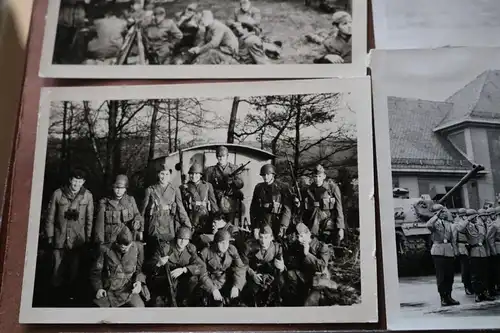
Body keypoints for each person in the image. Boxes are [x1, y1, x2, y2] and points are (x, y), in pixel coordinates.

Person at [45, 168, 94, 304]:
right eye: (74, 180)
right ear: (70, 180)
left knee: (74, 269)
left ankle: (71, 296)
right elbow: (50, 216)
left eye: (80, 181)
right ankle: (54, 297)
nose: (76, 183)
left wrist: (88, 237)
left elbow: (89, 219)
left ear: (83, 182)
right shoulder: (58, 194)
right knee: (56, 268)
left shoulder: (87, 196)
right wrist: (50, 235)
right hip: (59, 237)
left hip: (77, 239)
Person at [146, 227, 204, 307]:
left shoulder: (191, 248)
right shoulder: (165, 247)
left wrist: (184, 269)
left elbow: (200, 267)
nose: (183, 242)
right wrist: (158, 263)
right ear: (176, 237)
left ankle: (183, 300)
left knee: (193, 279)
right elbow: (148, 267)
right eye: (180, 238)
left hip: (180, 282)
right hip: (164, 280)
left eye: (186, 239)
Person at [141, 164, 191, 255]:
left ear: (170, 175)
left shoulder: (175, 190)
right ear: (158, 175)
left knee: (169, 252)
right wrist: (140, 230)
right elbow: (143, 212)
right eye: (162, 174)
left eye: (167, 174)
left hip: (169, 225)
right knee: (154, 252)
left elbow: (181, 208)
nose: (164, 177)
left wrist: (187, 224)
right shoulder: (150, 190)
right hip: (154, 225)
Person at [90, 227, 146, 307]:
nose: (125, 250)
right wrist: (98, 288)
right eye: (122, 248)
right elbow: (95, 273)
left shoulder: (138, 248)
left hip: (128, 290)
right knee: (98, 313)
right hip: (109, 291)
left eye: (128, 247)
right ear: (117, 243)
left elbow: (140, 270)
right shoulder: (105, 249)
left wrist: (139, 282)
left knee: (140, 308)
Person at [284, 223, 334, 306]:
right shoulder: (298, 245)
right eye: (298, 237)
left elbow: (321, 267)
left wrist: (307, 254)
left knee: (308, 303)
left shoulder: (322, 247)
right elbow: (291, 261)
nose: (300, 239)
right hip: (303, 277)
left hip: (317, 280)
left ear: (308, 234)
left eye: (302, 236)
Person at [199, 229, 247, 306]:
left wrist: (236, 286)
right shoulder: (205, 252)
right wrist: (213, 289)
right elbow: (202, 274)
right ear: (215, 243)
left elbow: (240, 268)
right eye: (222, 243)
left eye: (227, 242)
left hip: (227, 280)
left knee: (237, 303)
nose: (225, 246)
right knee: (218, 305)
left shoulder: (232, 249)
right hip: (211, 281)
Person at [456, 209, 495, 302]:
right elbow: (460, 229)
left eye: (475, 216)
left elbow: (485, 238)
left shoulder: (480, 225)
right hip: (474, 252)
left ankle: (485, 292)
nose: (475, 218)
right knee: (476, 275)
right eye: (472, 216)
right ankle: (478, 294)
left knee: (484, 274)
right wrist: (468, 220)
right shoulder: (467, 226)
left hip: (483, 252)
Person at [241, 225, 285, 306]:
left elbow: (280, 267)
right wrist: (253, 274)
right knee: (251, 290)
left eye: (266, 237)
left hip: (269, 275)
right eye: (261, 237)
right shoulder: (249, 246)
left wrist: (281, 267)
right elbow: (243, 264)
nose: (263, 241)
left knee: (280, 284)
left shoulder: (277, 248)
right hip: (254, 273)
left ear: (271, 237)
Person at [301, 165, 345, 244]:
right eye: (315, 176)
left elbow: (339, 208)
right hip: (313, 225)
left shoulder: (332, 188)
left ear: (324, 176)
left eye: (319, 176)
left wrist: (340, 228)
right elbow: (305, 208)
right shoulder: (309, 190)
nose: (317, 179)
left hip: (329, 225)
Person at [426, 204, 460, 306]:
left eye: (444, 211)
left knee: (450, 276)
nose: (444, 213)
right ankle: (443, 298)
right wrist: (436, 216)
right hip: (438, 251)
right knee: (441, 276)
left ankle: (449, 296)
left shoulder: (450, 224)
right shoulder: (434, 223)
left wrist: (455, 251)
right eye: (442, 212)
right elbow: (428, 225)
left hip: (448, 250)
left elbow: (453, 239)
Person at [94, 174, 143, 244]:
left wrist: (136, 220)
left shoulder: (130, 200)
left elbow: (137, 214)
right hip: (110, 240)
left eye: (122, 188)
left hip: (127, 239)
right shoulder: (105, 202)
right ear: (113, 187)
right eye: (116, 187)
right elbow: (99, 225)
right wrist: (100, 243)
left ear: (125, 189)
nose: (119, 190)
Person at [204, 146, 245, 224]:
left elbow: (241, 184)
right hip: (216, 202)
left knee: (229, 226)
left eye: (223, 156)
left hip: (230, 202)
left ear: (227, 156)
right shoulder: (210, 170)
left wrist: (233, 181)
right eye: (219, 156)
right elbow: (206, 186)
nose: (221, 158)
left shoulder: (234, 168)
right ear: (216, 157)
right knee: (216, 224)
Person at [250, 164, 292, 239]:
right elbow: (254, 208)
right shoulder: (259, 187)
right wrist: (255, 227)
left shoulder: (282, 187)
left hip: (276, 220)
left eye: (268, 174)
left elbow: (287, 209)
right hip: (263, 220)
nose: (265, 177)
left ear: (273, 175)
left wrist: (283, 226)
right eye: (263, 175)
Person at [184, 163, 219, 233]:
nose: (194, 176)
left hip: (205, 216)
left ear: (200, 175)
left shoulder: (208, 186)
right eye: (191, 174)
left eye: (196, 174)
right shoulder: (185, 187)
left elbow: (213, 202)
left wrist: (217, 216)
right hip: (191, 216)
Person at [454, 208, 472, 295]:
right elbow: (460, 228)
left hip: (470, 246)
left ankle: (471, 285)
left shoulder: (468, 222)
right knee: (465, 268)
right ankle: (467, 286)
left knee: (472, 267)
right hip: (462, 246)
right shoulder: (457, 222)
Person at [486, 206, 500, 295]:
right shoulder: (495, 224)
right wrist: (493, 250)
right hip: (498, 247)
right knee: (497, 269)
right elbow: (490, 238)